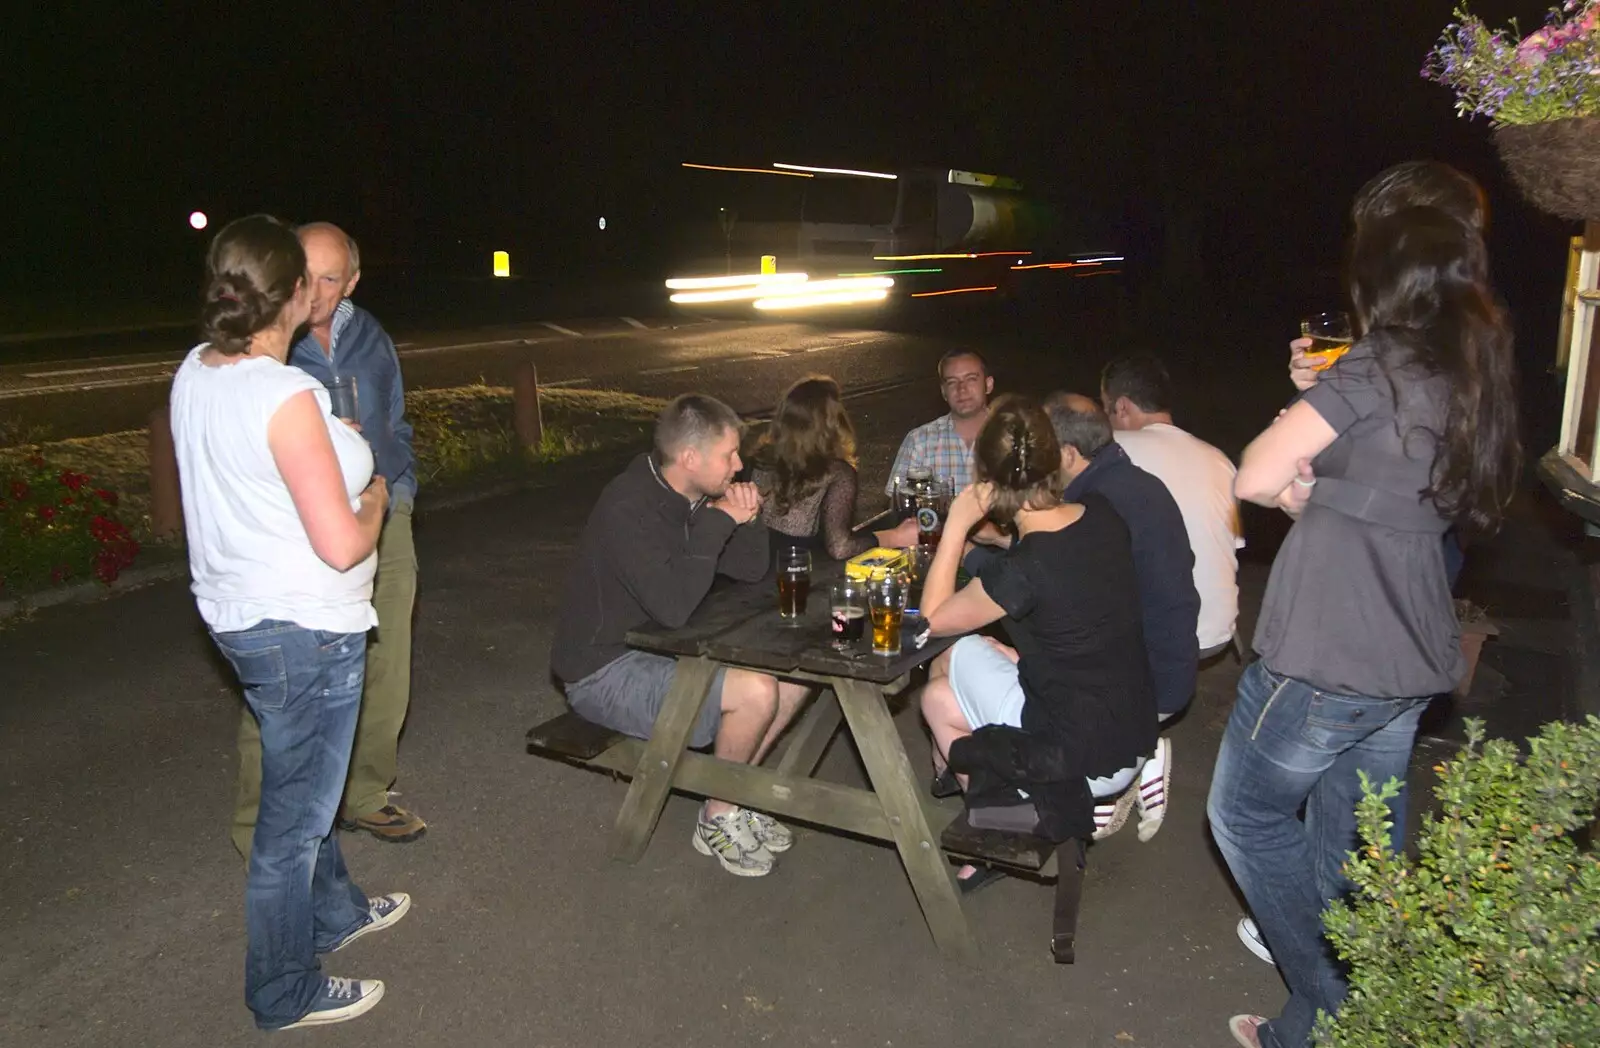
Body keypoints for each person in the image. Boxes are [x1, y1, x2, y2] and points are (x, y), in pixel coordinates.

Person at [1209, 206, 1520, 1048]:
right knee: (1355, 846)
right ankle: (1311, 1028)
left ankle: (1345, 999)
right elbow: (1410, 483)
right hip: (1411, 648)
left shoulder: (1381, 358)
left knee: (1243, 818)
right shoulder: (1471, 369)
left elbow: (1258, 470)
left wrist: (1305, 489)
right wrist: (1328, 420)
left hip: (1330, 643)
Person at [170, 215, 406, 1030]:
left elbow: (249, 483)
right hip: (305, 628)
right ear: (296, 293)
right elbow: (342, 543)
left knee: (300, 782)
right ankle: (283, 990)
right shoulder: (287, 394)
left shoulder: (197, 372)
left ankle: (336, 914)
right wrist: (373, 498)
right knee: (293, 826)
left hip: (241, 621)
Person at [550, 394, 814, 878]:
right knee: (756, 691)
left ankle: (738, 793)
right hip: (604, 670)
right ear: (690, 458)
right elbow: (673, 608)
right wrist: (718, 521)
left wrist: (748, 520)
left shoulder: (692, 498)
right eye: (729, 455)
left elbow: (752, 570)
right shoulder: (628, 508)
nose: (740, 467)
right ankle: (718, 815)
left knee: (796, 678)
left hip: (667, 652)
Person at [230, 222, 425, 857]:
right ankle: (260, 828)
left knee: (386, 664)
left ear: (353, 281)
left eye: (330, 278)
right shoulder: (265, 344)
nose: (313, 291)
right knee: (288, 676)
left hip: (381, 514)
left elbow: (395, 421)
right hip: (301, 531)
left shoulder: (370, 336)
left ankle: (366, 796)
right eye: (304, 274)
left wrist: (399, 492)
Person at [916, 395, 1157, 891]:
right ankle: (992, 817)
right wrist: (1024, 655)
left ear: (985, 476)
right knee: (938, 699)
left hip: (1080, 756)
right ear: (1055, 459)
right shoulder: (1101, 514)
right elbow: (1078, 610)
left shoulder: (1023, 572)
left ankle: (1014, 815)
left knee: (955, 653)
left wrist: (958, 524)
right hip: (1130, 729)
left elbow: (933, 620)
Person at [1045, 393, 1199, 841]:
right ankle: (1138, 753)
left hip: (1149, 688)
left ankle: (1123, 761)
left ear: (1068, 454)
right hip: (1175, 665)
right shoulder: (1136, 483)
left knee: (1025, 660)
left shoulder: (1095, 507)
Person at [1101, 353, 1241, 658]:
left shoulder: (1111, 451)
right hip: (1216, 630)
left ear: (1121, 406)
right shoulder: (1219, 458)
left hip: (1161, 638)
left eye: (1105, 408)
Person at [748, 376, 920, 559]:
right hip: (796, 572)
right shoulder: (837, 473)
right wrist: (895, 537)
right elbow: (840, 547)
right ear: (833, 423)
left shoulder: (759, 459)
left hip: (751, 569)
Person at [886, 349, 993, 495]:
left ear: (989, 384)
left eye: (971, 379)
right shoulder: (919, 441)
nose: (962, 389)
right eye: (952, 382)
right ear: (943, 392)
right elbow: (897, 501)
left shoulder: (1013, 437)